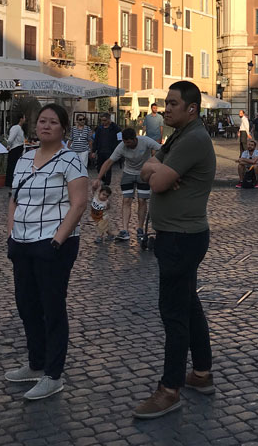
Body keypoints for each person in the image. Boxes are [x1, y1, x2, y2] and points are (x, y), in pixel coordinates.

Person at [134, 81, 216, 419]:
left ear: (191, 108)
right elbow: (146, 168)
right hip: (180, 236)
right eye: (165, 103)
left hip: (181, 239)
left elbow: (155, 182)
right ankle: (201, 374)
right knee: (189, 304)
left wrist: (159, 172)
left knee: (174, 312)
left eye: (172, 103)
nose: (165, 108)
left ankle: (169, 390)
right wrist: (158, 168)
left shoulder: (193, 139)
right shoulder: (181, 136)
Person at [5, 104, 88, 400]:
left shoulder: (71, 161)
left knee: (52, 308)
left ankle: (53, 374)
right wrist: (12, 233)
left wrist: (57, 240)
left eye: (53, 122)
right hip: (23, 242)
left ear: (63, 129)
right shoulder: (25, 158)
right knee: (27, 306)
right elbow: (14, 198)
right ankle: (36, 364)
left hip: (53, 244)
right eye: (42, 121)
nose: (46, 126)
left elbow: (79, 204)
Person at [93, 127, 161, 242]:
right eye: (124, 142)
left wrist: (155, 162)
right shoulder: (121, 147)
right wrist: (98, 178)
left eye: (128, 142)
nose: (126, 145)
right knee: (126, 200)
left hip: (143, 173)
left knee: (142, 200)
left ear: (135, 139)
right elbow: (109, 162)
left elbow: (162, 149)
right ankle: (125, 230)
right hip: (128, 173)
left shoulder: (145, 141)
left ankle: (140, 228)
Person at [90, 113, 122, 186]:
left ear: (109, 119)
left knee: (108, 167)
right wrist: (93, 151)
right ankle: (103, 179)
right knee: (99, 167)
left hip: (110, 151)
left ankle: (107, 183)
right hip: (101, 150)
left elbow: (120, 139)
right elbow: (96, 140)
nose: (103, 122)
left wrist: (117, 149)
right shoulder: (99, 129)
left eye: (104, 120)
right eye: (102, 120)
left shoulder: (116, 128)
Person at [5, 114, 27, 189]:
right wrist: (9, 145)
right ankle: (10, 183)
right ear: (21, 119)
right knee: (13, 166)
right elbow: (11, 139)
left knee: (15, 166)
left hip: (18, 148)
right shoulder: (16, 128)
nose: (25, 119)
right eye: (24, 118)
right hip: (15, 148)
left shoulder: (19, 128)